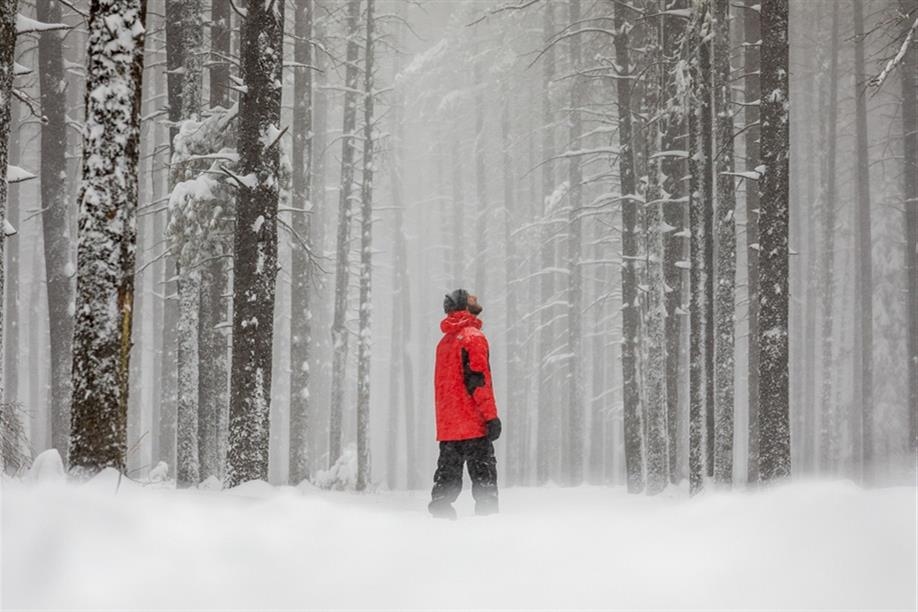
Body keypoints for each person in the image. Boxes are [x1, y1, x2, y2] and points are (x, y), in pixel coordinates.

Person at [428, 289, 502, 519]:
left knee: (446, 483)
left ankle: (441, 528)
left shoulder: (444, 343)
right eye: (471, 298)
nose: (476, 299)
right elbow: (478, 381)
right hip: (473, 425)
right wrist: (490, 416)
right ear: (463, 306)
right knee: (485, 485)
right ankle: (487, 531)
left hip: (450, 428)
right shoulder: (473, 337)